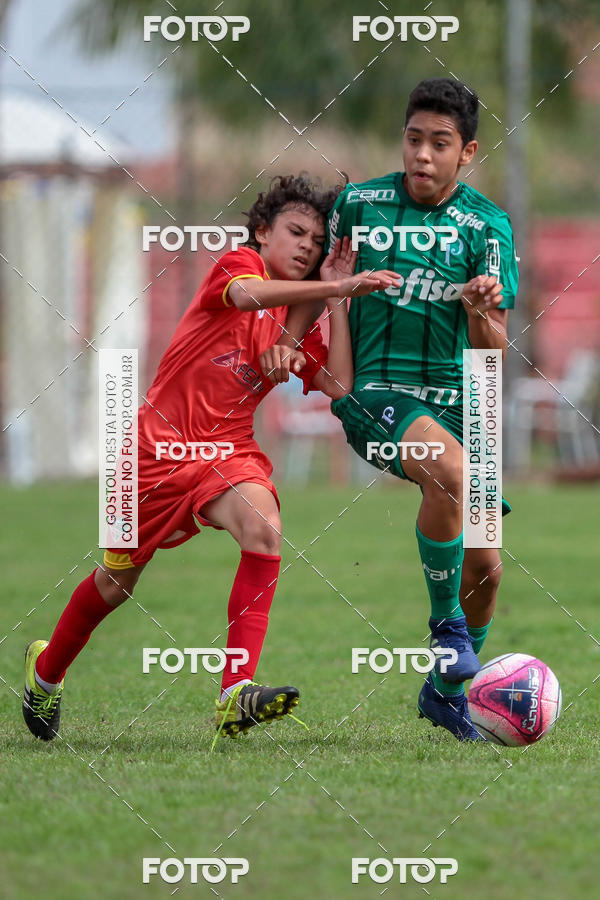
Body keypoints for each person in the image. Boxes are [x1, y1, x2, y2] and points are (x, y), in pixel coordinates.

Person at [22, 174, 399, 745]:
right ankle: (45, 674)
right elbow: (249, 297)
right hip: (153, 452)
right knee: (116, 584)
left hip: (228, 453)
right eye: (295, 232)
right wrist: (330, 291)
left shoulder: (298, 322)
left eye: (317, 243)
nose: (305, 247)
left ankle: (233, 694)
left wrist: (335, 298)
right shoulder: (237, 265)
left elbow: (341, 385)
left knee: (264, 526)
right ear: (263, 232)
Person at [277, 79, 519, 741]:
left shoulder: (488, 227)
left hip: (465, 406)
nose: (422, 155)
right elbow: (320, 278)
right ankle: (446, 634)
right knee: (450, 475)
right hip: (378, 396)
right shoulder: (361, 205)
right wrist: (288, 341)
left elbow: (492, 350)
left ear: (466, 152)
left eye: (440, 144)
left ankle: (443, 693)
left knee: (488, 572)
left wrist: (478, 312)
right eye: (414, 139)